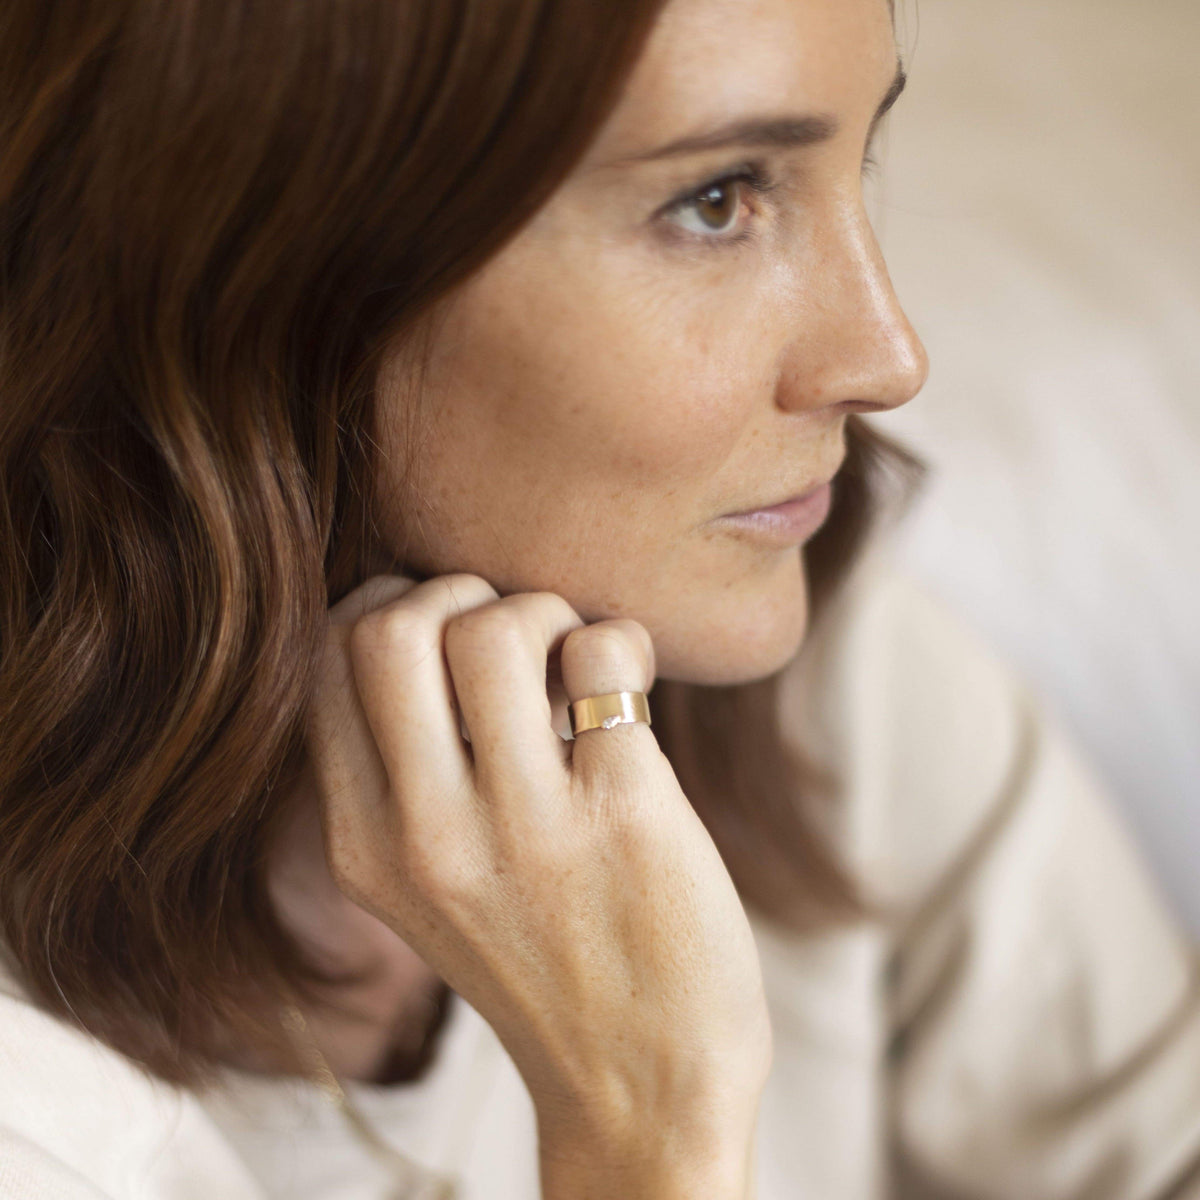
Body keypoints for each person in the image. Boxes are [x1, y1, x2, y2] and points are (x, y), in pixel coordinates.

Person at [1, 0, 1198, 1196]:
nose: (886, 356)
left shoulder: (822, 678)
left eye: (858, 160)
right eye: (718, 199)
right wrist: (650, 1139)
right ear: (260, 254)